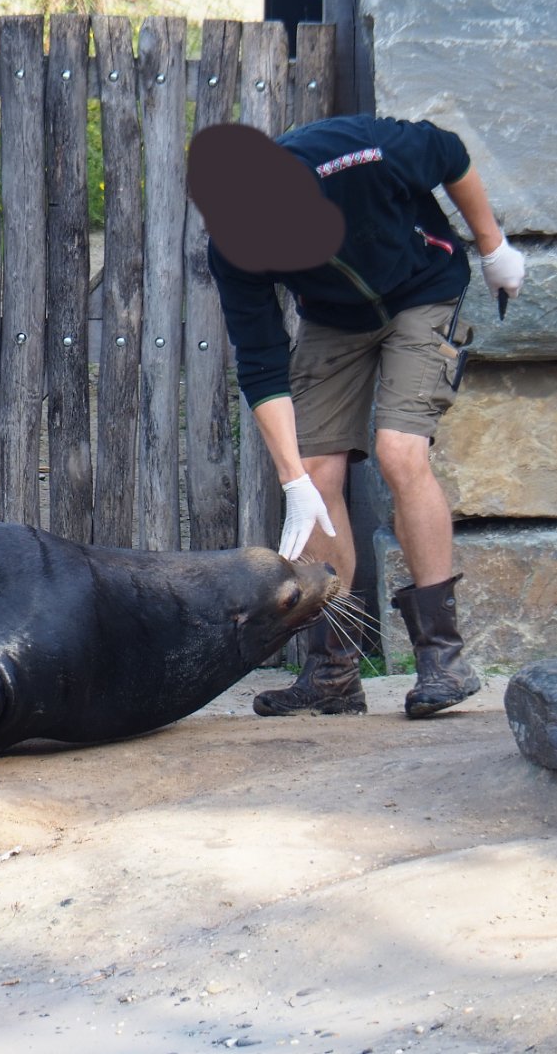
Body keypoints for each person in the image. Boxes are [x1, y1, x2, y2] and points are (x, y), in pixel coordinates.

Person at [187, 115, 525, 719]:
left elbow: (449, 153)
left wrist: (493, 246)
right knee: (318, 474)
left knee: (400, 452)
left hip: (422, 289)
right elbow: (261, 364)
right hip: (335, 318)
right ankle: (332, 673)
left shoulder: (354, 156)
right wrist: (293, 481)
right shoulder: (232, 245)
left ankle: (442, 660)